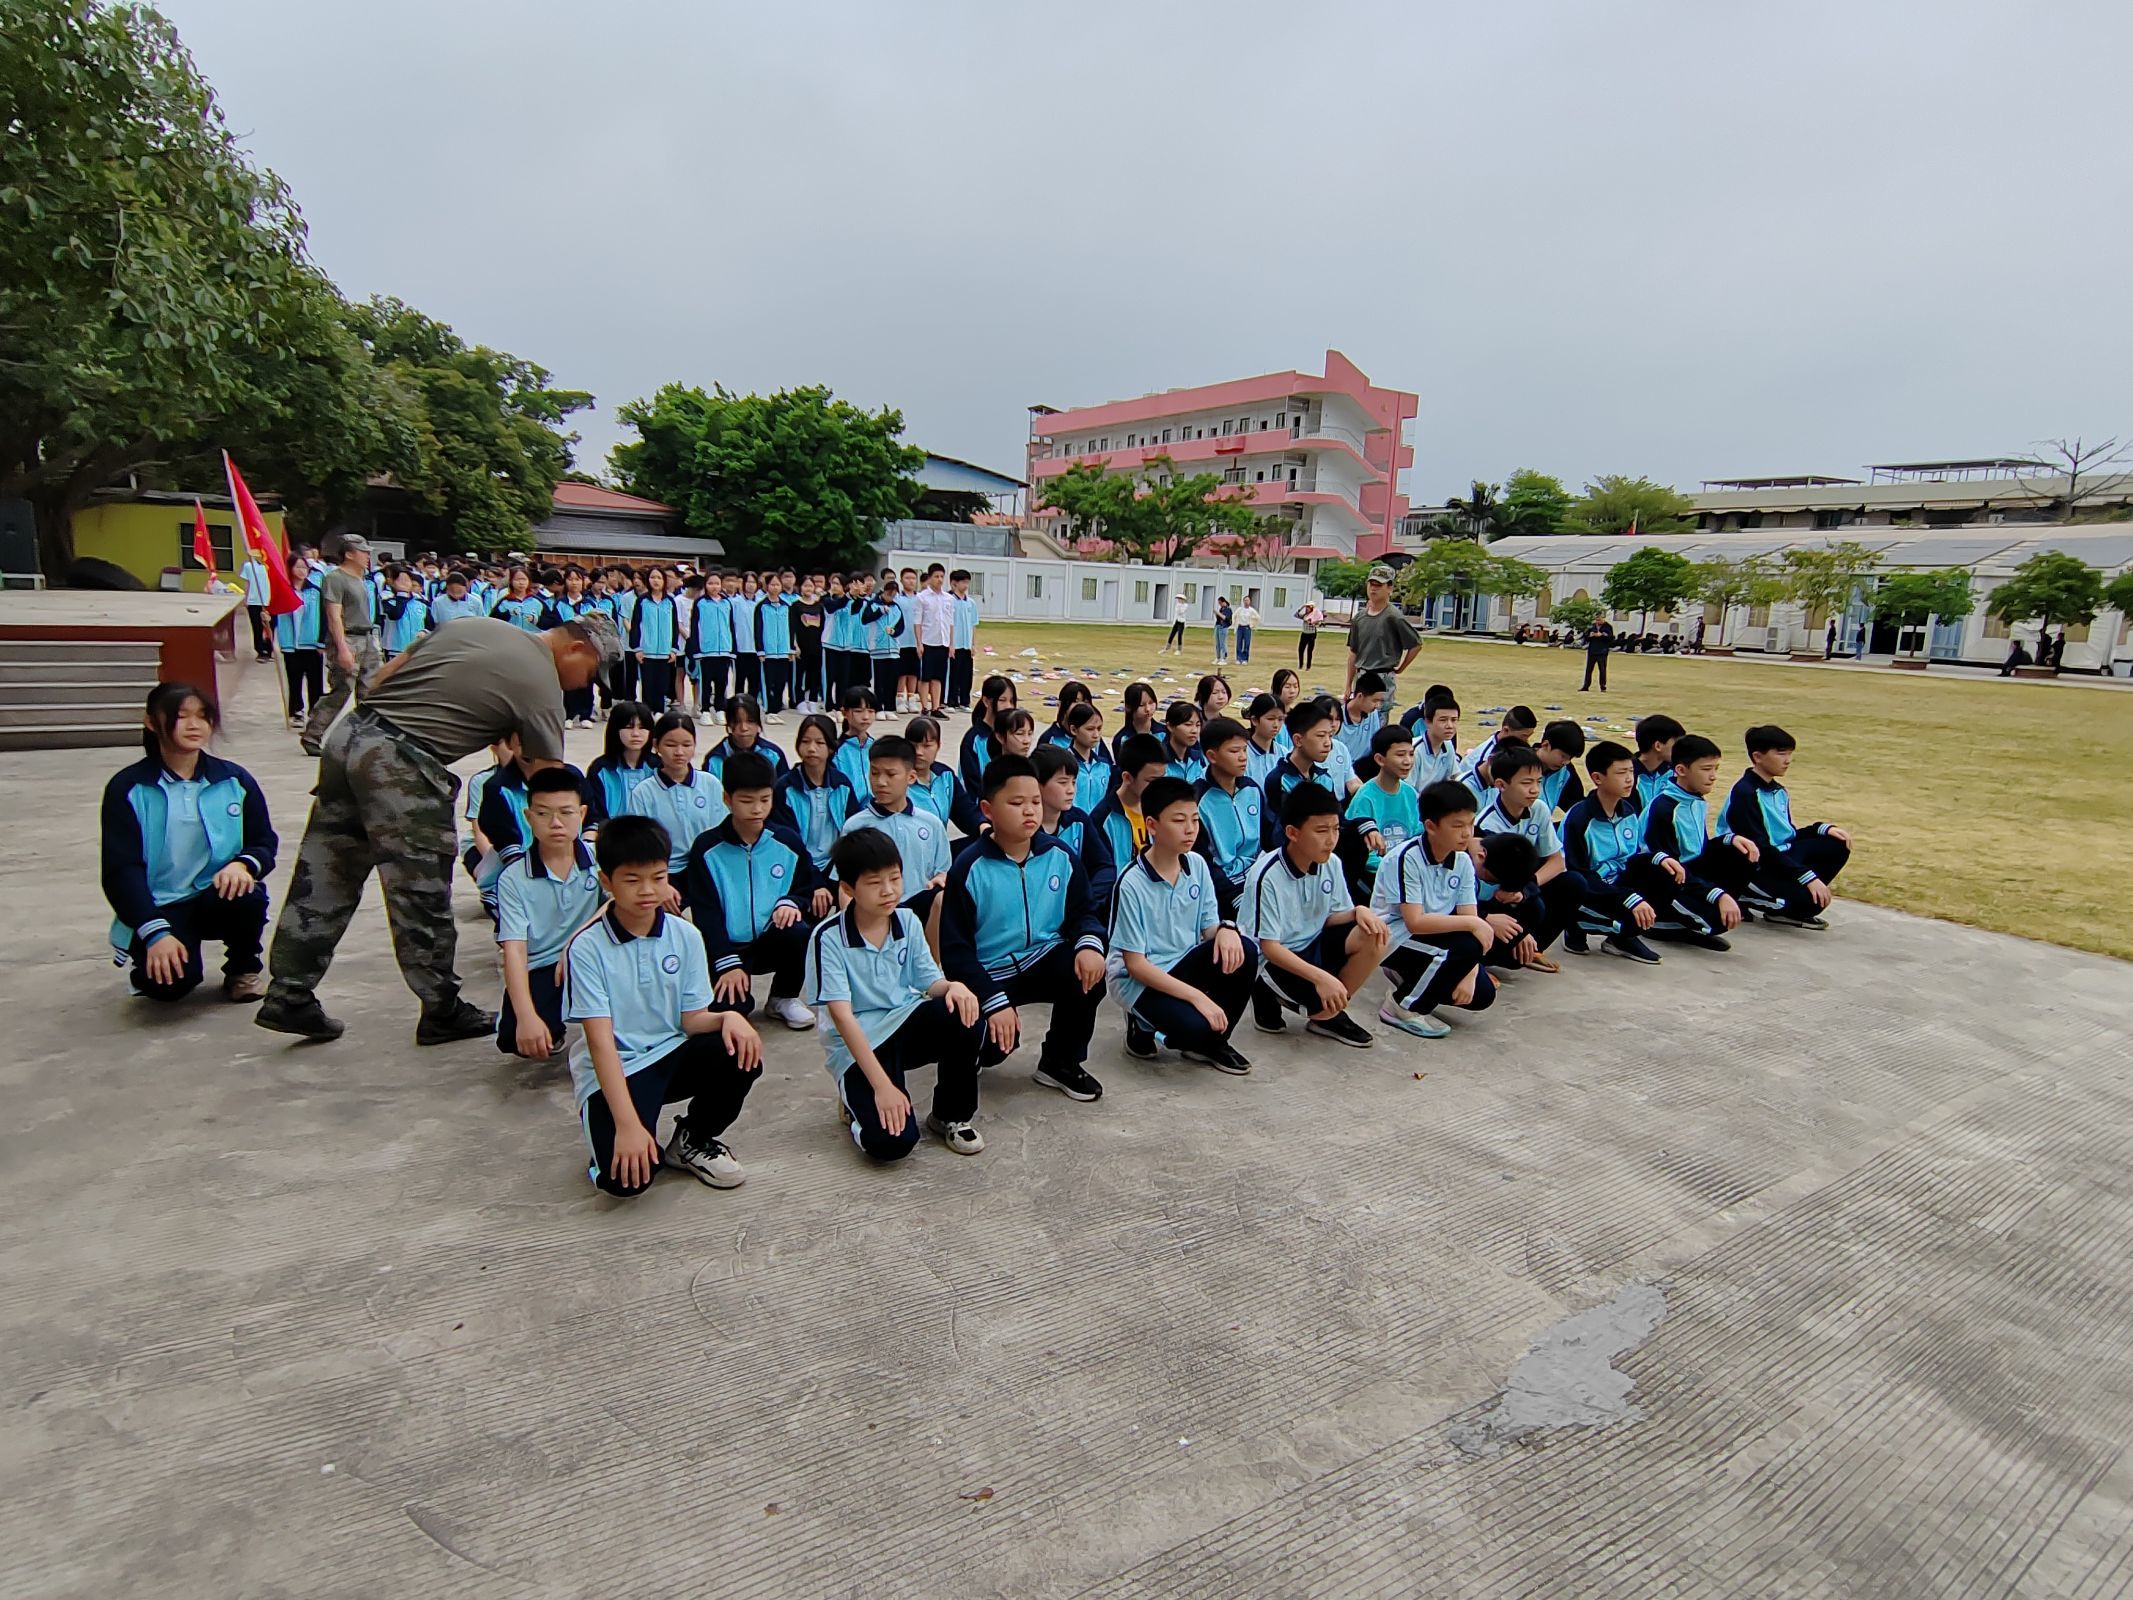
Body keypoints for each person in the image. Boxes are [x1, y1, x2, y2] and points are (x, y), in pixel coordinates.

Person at [258, 613, 615, 1043]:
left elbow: (380, 678)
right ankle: (441, 1008)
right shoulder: (541, 684)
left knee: (329, 867)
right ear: (575, 648)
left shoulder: (473, 625)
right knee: (420, 888)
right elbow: (548, 787)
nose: (584, 686)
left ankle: (289, 992)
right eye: (591, 674)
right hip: (403, 763)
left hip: (351, 737)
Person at [563, 815, 764, 1195]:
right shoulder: (588, 948)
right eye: (632, 880)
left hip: (671, 1052)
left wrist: (729, 1018)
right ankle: (607, 1150)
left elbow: (691, 1020)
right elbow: (601, 1043)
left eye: (657, 877)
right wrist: (627, 1126)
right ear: (607, 882)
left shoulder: (685, 935)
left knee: (739, 1049)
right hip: (618, 1067)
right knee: (624, 1183)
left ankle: (691, 1140)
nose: (647, 891)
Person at [940, 754, 1109, 1104]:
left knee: (1088, 972)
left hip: (1042, 957)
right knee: (995, 1045)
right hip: (990, 971)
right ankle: (972, 1050)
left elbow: (1083, 913)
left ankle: (1060, 1061)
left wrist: (1090, 944)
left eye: (1034, 801)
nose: (1030, 811)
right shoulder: (969, 869)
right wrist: (993, 1001)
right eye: (1016, 803)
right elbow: (956, 953)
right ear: (988, 810)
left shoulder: (1060, 856)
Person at [806, 828, 984, 1159]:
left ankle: (950, 1115)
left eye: (895, 878)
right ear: (848, 889)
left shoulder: (907, 920)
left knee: (965, 1010)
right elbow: (842, 1017)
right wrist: (883, 1087)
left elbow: (930, 981)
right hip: (860, 1041)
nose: (889, 891)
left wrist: (953, 986)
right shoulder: (828, 938)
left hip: (903, 1021)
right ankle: (854, 1107)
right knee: (892, 1144)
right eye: (875, 883)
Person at [102, 683, 276, 1004]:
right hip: (161, 905)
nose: (195, 725)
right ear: (151, 722)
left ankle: (243, 968)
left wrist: (243, 864)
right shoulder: (129, 788)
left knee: (248, 895)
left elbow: (264, 842)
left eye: (202, 716)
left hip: (215, 895)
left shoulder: (233, 780)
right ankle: (151, 959)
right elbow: (120, 870)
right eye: (181, 716)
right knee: (170, 989)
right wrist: (154, 931)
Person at [1106, 776, 1261, 1073]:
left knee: (1245, 950)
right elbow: (1136, 965)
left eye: (1194, 819)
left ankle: (1214, 1043)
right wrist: (1198, 998)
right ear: (1152, 825)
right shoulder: (1131, 883)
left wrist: (1227, 929)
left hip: (1184, 962)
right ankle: (1142, 1020)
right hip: (1139, 980)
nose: (1190, 829)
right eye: (1179, 820)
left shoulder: (1197, 864)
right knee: (1193, 1028)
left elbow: (1209, 928)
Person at [1239, 783, 1390, 1046]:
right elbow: (1269, 946)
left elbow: (1331, 916)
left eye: (1335, 829)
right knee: (1306, 985)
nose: (1331, 839)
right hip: (1274, 959)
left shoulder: (1331, 862)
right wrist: (1322, 978)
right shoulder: (1268, 875)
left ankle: (1328, 1014)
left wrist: (1359, 911)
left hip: (1313, 943)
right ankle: (1263, 991)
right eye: (1321, 831)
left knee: (1374, 935)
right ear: (1292, 833)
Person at [680, 752, 818, 1030]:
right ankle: (732, 984)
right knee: (732, 1012)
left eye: (765, 800)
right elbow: (706, 912)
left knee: (801, 932)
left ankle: (783, 996)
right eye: (746, 801)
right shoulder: (707, 849)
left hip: (770, 938)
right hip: (727, 946)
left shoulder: (786, 842)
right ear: (727, 799)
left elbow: (807, 884)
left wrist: (792, 902)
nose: (757, 809)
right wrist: (726, 962)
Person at [1371, 780, 1499, 1039]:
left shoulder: (1462, 860)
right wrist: (1474, 928)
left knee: (1481, 994)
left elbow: (1467, 917)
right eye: (1457, 826)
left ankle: (1411, 978)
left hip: (1429, 937)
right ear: (1431, 826)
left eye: (1470, 824)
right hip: (1392, 937)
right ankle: (1403, 1006)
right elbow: (1414, 922)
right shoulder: (1406, 857)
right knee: (1466, 946)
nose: (1467, 833)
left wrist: (1470, 971)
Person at [494, 766, 601, 1061]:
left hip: (593, 958)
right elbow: (514, 951)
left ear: (581, 815)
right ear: (529, 818)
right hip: (544, 966)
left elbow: (623, 902)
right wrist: (527, 1016)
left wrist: (576, 941)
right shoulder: (514, 878)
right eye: (543, 814)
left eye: (566, 813)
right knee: (518, 1038)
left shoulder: (600, 858)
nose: (556, 823)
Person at [1559, 740, 1686, 965]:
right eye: (1621, 773)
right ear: (1598, 778)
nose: (1629, 779)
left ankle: (1620, 938)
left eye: (1631, 771)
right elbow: (1577, 874)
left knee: (1666, 873)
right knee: (1627, 912)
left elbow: (1633, 858)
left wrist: (1660, 857)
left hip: (1617, 884)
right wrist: (1628, 898)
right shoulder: (1579, 819)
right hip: (1590, 889)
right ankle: (1576, 923)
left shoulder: (1628, 811)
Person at [1719, 724, 1852, 929]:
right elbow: (1761, 847)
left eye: (1790, 754)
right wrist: (1807, 877)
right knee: (1809, 904)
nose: (1787, 760)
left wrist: (1821, 828)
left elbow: (1787, 835)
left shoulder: (1778, 790)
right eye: (1781, 753)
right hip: (1756, 864)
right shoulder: (1745, 793)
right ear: (1758, 757)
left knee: (1837, 844)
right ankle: (1744, 893)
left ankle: (1789, 903)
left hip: (1780, 855)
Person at [1639, 732, 1746, 950]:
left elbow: (1700, 850)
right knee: (1719, 919)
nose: (1714, 776)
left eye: (1716, 768)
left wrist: (1730, 839)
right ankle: (1659, 921)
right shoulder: (1665, 808)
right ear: (1681, 770)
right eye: (1706, 769)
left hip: (1688, 875)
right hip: (1662, 882)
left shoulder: (1696, 800)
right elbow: (1668, 866)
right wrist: (1716, 895)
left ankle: (1686, 919)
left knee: (1740, 851)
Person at [1473, 746, 1577, 969]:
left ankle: (1530, 948)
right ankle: (1478, 963)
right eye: (1526, 783)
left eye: (1538, 782)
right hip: (1490, 900)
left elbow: (1557, 862)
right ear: (1501, 785)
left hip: (1517, 890)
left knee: (1572, 884)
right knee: (1533, 907)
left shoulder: (1538, 809)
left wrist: (1527, 888)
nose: (1534, 790)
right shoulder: (1485, 826)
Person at [839, 735, 951, 935]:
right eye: (874, 773)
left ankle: (934, 964)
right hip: (875, 909)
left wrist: (942, 878)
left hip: (919, 905)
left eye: (891, 774)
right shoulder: (856, 826)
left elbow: (942, 871)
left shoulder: (930, 823)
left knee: (944, 901)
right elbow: (845, 884)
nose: (880, 782)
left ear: (911, 777)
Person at [622, 710, 728, 886]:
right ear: (656, 745)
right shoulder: (644, 792)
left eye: (687, 745)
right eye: (671, 745)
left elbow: (721, 830)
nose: (679, 752)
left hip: (706, 869)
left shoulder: (710, 784)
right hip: (664, 873)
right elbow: (640, 844)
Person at [301, 534, 379, 756]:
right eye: (363, 552)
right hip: (348, 638)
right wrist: (342, 647)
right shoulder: (336, 578)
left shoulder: (362, 579)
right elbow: (334, 616)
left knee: (370, 691)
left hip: (367, 637)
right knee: (342, 690)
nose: (367, 556)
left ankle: (364, 738)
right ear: (349, 554)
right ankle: (313, 734)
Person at [1191, 716, 1268, 917]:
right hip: (1223, 887)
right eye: (1234, 751)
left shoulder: (1251, 789)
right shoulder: (1197, 800)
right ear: (1212, 756)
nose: (1243, 757)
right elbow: (1201, 861)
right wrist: (1234, 896)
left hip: (1259, 876)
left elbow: (1270, 838)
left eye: (1244, 749)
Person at [1035, 744, 1118, 920]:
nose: (1071, 790)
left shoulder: (1078, 820)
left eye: (1073, 782)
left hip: (1078, 912)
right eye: (1063, 782)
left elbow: (1104, 866)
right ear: (1037, 784)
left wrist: (1087, 901)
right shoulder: (1026, 828)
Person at [1345, 723, 1422, 898]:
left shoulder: (1409, 793)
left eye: (1411, 754)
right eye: (1400, 755)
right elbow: (1364, 855)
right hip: (1375, 880)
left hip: (1406, 872)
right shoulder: (1365, 797)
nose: (1407, 761)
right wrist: (1397, 869)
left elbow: (1414, 833)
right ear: (1380, 759)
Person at [1344, 565, 1422, 715]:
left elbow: (1416, 644)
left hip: (1383, 676)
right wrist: (1348, 685)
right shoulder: (1359, 618)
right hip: (1361, 676)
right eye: (1371, 584)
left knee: (1378, 721)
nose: (1373, 589)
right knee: (1358, 719)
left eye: (1379, 585)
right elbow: (1353, 653)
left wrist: (1401, 668)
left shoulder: (1394, 617)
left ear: (1390, 588)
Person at [1090, 733, 1170, 879]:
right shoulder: (1102, 819)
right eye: (1152, 781)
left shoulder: (1162, 809)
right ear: (1127, 778)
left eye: (1162, 779)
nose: (1159, 787)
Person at [904, 715, 984, 838]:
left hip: (940, 849)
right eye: (914, 746)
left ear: (938, 746)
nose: (919, 752)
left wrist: (983, 826)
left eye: (927, 746)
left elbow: (965, 812)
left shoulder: (945, 776)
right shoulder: (899, 780)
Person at [272, 552, 325, 729]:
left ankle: (316, 712)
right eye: (298, 567)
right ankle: (296, 710)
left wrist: (321, 641)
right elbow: (274, 612)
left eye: (304, 567)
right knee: (294, 679)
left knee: (315, 680)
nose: (302, 571)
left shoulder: (315, 591)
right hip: (290, 644)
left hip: (311, 643)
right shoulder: (283, 591)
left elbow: (324, 617)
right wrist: (267, 618)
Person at [585, 701, 657, 828]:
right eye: (629, 727)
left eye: (642, 727)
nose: (636, 734)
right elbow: (594, 814)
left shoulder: (659, 767)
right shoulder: (601, 769)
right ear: (615, 729)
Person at [1266, 696, 1341, 815]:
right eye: (1321, 736)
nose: (1328, 743)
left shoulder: (1324, 778)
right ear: (1298, 740)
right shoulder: (1280, 781)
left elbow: (1338, 819)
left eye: (1330, 736)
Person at [700, 694, 788, 786]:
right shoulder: (715, 759)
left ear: (758, 723)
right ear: (729, 724)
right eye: (737, 722)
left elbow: (783, 790)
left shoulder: (773, 754)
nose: (744, 728)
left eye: (750, 721)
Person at [629, 567, 682, 712]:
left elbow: (674, 626)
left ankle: (659, 711)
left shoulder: (670, 602)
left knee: (662, 685)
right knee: (648, 684)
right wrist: (637, 648)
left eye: (659, 578)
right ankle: (647, 712)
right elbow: (635, 625)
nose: (656, 581)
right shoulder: (642, 601)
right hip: (646, 651)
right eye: (653, 577)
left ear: (664, 581)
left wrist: (673, 648)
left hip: (665, 652)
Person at [688, 570, 734, 726]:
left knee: (722, 683)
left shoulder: (727, 603)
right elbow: (694, 627)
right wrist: (696, 650)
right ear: (705, 585)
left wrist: (731, 648)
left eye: (717, 583)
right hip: (706, 650)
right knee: (706, 682)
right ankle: (705, 711)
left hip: (724, 650)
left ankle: (720, 710)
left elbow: (731, 626)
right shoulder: (700, 603)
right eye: (710, 583)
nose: (714, 586)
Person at [960, 674, 1016, 793]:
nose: (1009, 706)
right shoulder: (973, 740)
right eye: (1002, 700)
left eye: (1012, 701)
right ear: (986, 701)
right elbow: (971, 784)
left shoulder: (1013, 735)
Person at [914, 563, 955, 715]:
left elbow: (950, 623)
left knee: (938, 677)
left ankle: (936, 707)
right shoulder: (922, 597)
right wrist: (919, 643)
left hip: (942, 641)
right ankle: (925, 707)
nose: (939, 580)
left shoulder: (948, 599)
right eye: (936, 576)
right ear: (930, 578)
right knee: (926, 676)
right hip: (927, 641)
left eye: (941, 577)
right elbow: (917, 622)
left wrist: (951, 644)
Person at [1062, 701, 1114, 814]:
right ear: (1074, 730)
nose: (1096, 735)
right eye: (1090, 729)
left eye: (1099, 728)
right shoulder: (1062, 765)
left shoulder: (1105, 766)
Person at [1409, 690, 1462, 790]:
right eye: (1443, 720)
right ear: (1428, 721)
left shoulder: (1447, 744)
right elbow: (1408, 790)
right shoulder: (1414, 750)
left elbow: (1455, 776)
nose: (1450, 726)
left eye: (1454, 720)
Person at [1632, 714, 1686, 810]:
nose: (1681, 749)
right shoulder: (1627, 774)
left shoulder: (1677, 772)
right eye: (1676, 743)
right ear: (1658, 746)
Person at [379, 565, 430, 662]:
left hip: (417, 650)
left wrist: (424, 632)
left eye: (407, 580)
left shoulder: (421, 603)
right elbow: (396, 615)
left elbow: (430, 624)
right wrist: (402, 594)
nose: (404, 583)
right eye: (400, 580)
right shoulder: (387, 599)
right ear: (392, 582)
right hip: (394, 650)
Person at [1535, 720, 1587, 815]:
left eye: (1570, 758)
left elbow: (1575, 806)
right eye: (1563, 756)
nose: (1566, 762)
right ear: (1546, 745)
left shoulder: (1566, 771)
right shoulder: (1520, 764)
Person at [791, 576, 827, 714]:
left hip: (817, 646)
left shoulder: (819, 606)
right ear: (801, 588)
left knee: (815, 675)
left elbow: (823, 626)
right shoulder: (796, 606)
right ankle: (800, 701)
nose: (808, 589)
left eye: (810, 586)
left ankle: (812, 701)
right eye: (805, 586)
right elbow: (792, 627)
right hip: (801, 646)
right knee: (800, 675)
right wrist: (795, 645)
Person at [947, 569, 980, 710]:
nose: (966, 585)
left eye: (967, 582)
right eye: (963, 582)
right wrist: (950, 644)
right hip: (955, 644)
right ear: (954, 583)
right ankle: (952, 701)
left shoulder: (971, 603)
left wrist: (973, 644)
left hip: (966, 645)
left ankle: (964, 701)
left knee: (966, 675)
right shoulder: (949, 601)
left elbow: (974, 625)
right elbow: (949, 624)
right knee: (953, 674)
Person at [237, 548, 275, 661]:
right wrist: (246, 597)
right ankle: (260, 650)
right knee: (257, 626)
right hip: (254, 601)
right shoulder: (249, 566)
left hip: (268, 601)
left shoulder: (268, 567)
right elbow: (247, 582)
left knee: (269, 626)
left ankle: (269, 649)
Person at [1112, 681, 1159, 765]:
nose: (1148, 709)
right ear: (1128, 707)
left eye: (1151, 703)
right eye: (1141, 705)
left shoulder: (1165, 733)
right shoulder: (1122, 739)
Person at [1162, 701, 1206, 781]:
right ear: (1170, 727)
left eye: (1198, 725)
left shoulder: (1200, 757)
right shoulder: (1158, 761)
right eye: (1188, 724)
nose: (1195, 730)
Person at [1581, 618, 1614, 692]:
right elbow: (1585, 637)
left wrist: (1602, 635)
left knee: (1602, 669)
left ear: (1603, 619)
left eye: (1599, 620)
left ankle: (1603, 686)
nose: (1597, 622)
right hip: (1592, 651)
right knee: (1589, 669)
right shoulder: (1592, 626)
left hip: (1602, 651)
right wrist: (1590, 635)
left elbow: (1610, 638)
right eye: (1596, 620)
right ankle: (1586, 686)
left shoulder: (1608, 627)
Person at [1235, 597, 1260, 664]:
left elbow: (1257, 617)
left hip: (1247, 628)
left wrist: (1253, 625)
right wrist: (1235, 625)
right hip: (1240, 627)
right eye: (1245, 600)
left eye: (1247, 600)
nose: (1246, 602)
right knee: (1239, 643)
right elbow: (1234, 616)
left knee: (1246, 644)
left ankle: (1245, 659)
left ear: (1250, 601)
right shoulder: (1240, 609)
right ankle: (1238, 658)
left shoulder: (1251, 610)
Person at [1213, 594, 1233, 663]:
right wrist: (1216, 615)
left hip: (1223, 627)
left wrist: (1218, 613)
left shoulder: (1228, 609)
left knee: (1222, 643)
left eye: (1220, 603)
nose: (1219, 605)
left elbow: (1225, 618)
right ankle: (1218, 657)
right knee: (1217, 643)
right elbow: (1219, 618)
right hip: (1218, 626)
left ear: (1223, 602)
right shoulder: (1221, 609)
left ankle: (1223, 657)